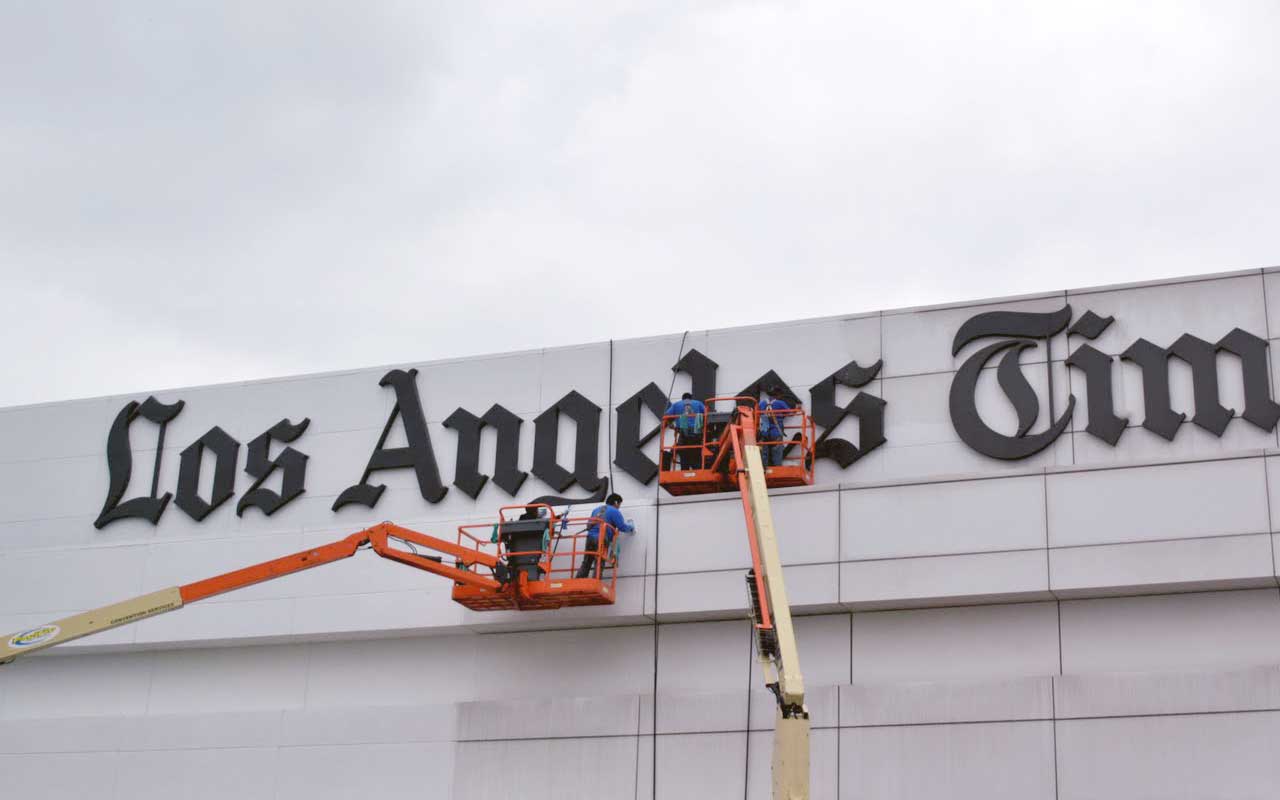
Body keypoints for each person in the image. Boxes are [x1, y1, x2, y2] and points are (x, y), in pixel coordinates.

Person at [575, 493, 635, 579]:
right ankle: (596, 582)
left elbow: (589, 525)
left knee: (586, 561)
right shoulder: (614, 511)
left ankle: (579, 580)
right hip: (601, 539)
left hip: (590, 538)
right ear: (615, 502)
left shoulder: (596, 510)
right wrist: (631, 527)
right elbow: (622, 527)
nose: (619, 507)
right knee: (599, 561)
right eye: (619, 504)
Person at [663, 392, 707, 469]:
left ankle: (684, 468)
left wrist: (670, 424)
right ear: (691, 398)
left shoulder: (677, 404)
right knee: (697, 452)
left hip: (683, 431)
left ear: (683, 399)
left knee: (683, 451)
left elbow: (666, 415)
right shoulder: (698, 403)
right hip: (697, 431)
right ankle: (697, 467)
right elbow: (707, 413)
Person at [758, 386, 792, 467]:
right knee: (777, 451)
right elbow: (790, 413)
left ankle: (764, 468)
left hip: (764, 431)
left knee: (764, 450)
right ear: (778, 395)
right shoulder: (780, 403)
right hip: (776, 431)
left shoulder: (762, 403)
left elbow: (758, 413)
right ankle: (777, 467)